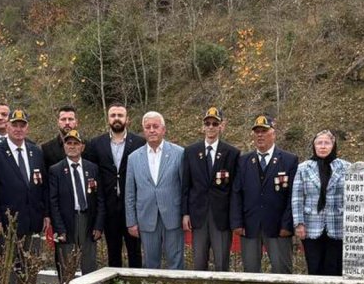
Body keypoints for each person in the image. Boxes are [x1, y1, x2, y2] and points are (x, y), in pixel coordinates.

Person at [0, 109, 49, 284]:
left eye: (22, 125)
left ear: (27, 128)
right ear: (7, 126)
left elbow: (43, 186)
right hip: (6, 221)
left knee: (29, 263)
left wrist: (46, 214)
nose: (18, 129)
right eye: (15, 125)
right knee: (8, 265)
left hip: (32, 219)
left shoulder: (36, 151)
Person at [231, 114, 299, 274]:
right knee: (250, 273)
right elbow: (236, 194)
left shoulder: (289, 160)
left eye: (264, 131)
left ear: (273, 134)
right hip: (250, 226)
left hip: (278, 227)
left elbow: (293, 197)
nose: (260, 135)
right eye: (257, 132)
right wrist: (237, 223)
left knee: (283, 272)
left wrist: (287, 225)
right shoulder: (244, 161)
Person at [85, 104, 145, 267]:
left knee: (135, 250)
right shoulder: (96, 144)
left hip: (132, 207)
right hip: (108, 206)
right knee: (113, 251)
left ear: (127, 119)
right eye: (113, 115)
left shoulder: (140, 142)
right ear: (108, 119)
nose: (116, 118)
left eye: (120, 115)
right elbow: (91, 175)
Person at [124, 112, 184, 270]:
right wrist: (131, 221)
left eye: (155, 126)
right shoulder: (133, 158)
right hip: (146, 217)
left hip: (173, 216)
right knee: (150, 263)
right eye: (148, 127)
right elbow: (130, 193)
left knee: (176, 261)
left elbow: (185, 187)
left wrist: (186, 214)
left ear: (163, 130)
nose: (152, 130)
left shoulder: (179, 153)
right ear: (143, 131)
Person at [182, 107, 239, 271]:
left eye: (215, 123)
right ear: (203, 126)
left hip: (221, 216)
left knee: (222, 263)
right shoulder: (191, 152)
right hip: (198, 215)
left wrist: (234, 217)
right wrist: (185, 213)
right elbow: (186, 185)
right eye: (207, 123)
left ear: (222, 126)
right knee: (199, 262)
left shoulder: (232, 153)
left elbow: (235, 190)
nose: (211, 127)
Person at [292, 130, 349, 276]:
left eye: (327, 143)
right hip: (311, 226)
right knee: (314, 266)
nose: (323, 146)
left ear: (333, 145)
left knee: (334, 267)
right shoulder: (303, 168)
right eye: (319, 143)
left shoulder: (346, 168)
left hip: (337, 225)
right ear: (314, 146)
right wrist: (299, 224)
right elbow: (297, 197)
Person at [49, 129, 104, 276]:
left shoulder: (92, 168)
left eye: (76, 143)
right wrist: (59, 228)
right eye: (68, 143)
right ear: (64, 146)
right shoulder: (56, 170)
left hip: (88, 220)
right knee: (66, 264)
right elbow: (53, 203)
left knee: (89, 263)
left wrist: (98, 225)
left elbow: (100, 199)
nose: (72, 146)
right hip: (67, 221)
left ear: (82, 147)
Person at [41, 105, 79, 169]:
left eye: (70, 119)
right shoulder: (47, 149)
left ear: (76, 122)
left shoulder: (87, 146)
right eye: (63, 119)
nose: (67, 123)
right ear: (58, 122)